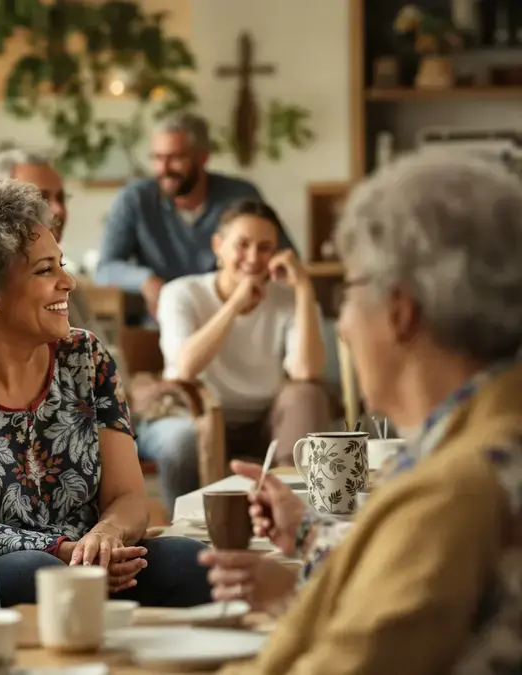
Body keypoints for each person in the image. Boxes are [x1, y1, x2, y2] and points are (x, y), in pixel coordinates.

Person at [204, 152, 522, 674]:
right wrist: (308, 534)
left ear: (400, 312)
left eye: (347, 292)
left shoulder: (456, 488)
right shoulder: (475, 437)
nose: (344, 326)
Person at [0, 178, 211, 609]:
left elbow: (129, 498)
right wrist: (66, 553)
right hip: (0, 570)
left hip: (96, 556)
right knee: (38, 572)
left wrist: (105, 539)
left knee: (195, 561)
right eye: (45, 270)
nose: (68, 282)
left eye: (61, 263)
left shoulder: (86, 355)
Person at [139, 200, 332, 507]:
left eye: (265, 247)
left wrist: (305, 289)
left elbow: (306, 371)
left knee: (307, 395)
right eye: (242, 245)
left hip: (265, 420)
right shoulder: (181, 292)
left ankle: (296, 513)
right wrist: (233, 306)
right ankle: (189, 532)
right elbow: (185, 366)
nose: (253, 258)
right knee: (183, 442)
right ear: (218, 246)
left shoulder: (287, 299)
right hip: (193, 413)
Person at [94, 112, 291, 321]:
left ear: (203, 157)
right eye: (157, 158)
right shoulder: (134, 199)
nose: (164, 169)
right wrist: (147, 281)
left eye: (176, 158)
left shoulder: (241, 196)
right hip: (161, 325)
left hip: (236, 319)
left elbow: (284, 259)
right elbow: (105, 269)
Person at [0, 150, 129, 387]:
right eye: (41, 198)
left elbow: (103, 370)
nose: (59, 210)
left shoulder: (68, 286)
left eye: (61, 198)